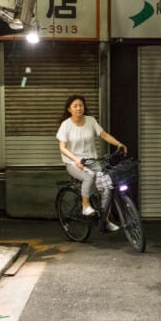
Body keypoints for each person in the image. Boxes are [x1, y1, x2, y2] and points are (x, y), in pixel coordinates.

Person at [57, 94, 127, 231]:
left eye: (81, 105)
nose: (79, 108)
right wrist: (76, 159)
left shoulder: (90, 121)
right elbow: (62, 147)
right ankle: (85, 206)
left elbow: (103, 134)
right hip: (73, 163)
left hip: (92, 161)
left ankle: (105, 220)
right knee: (88, 176)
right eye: (75, 106)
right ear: (69, 109)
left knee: (107, 185)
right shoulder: (66, 125)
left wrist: (119, 144)